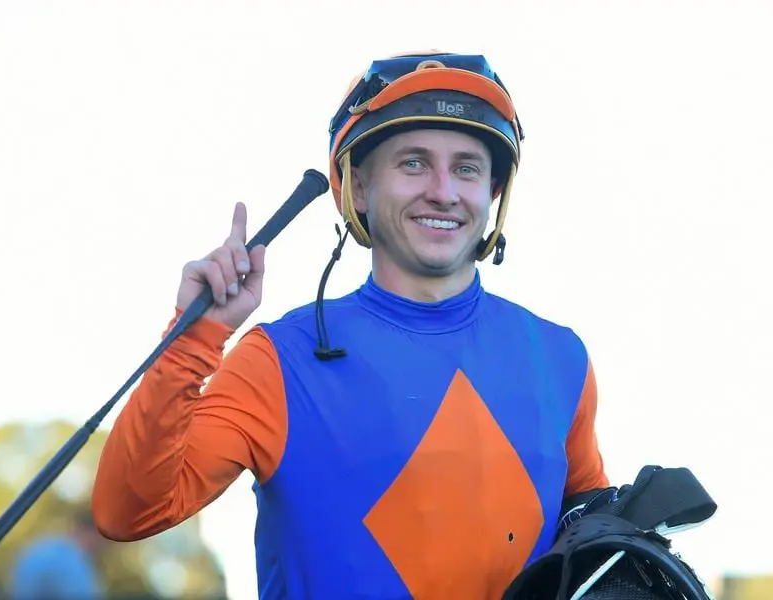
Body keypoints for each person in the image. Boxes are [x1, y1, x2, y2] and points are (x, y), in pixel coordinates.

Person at [92, 50, 610, 599]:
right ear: (357, 188)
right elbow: (128, 511)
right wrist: (193, 340)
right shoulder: (277, 359)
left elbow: (594, 539)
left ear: (492, 194)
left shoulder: (559, 358)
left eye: (467, 167)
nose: (444, 190)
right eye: (413, 162)